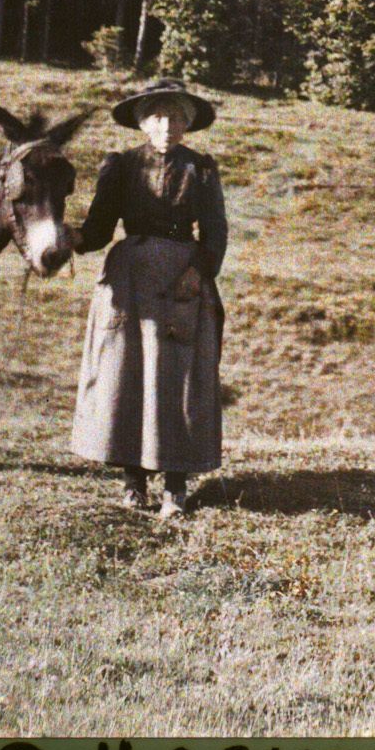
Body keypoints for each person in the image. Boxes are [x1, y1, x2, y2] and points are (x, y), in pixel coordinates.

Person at [69, 78, 226, 517]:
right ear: (142, 122)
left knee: (177, 378)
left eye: (177, 116)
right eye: (158, 116)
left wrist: (198, 273)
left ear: (188, 123)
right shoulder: (120, 166)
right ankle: (133, 482)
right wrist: (73, 237)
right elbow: (99, 227)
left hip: (181, 283)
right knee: (126, 375)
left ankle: (175, 485)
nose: (168, 125)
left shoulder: (202, 168)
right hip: (129, 282)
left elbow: (216, 231)